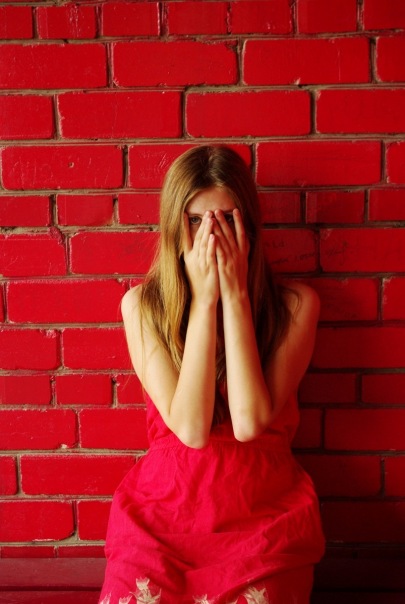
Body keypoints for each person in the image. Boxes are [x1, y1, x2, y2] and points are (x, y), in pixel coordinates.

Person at [99, 145, 325, 604]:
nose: (210, 236)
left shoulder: (295, 306)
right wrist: (203, 302)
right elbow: (191, 429)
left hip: (261, 515)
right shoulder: (142, 307)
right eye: (196, 221)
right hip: (165, 516)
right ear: (174, 227)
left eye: (224, 219)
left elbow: (248, 422)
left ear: (249, 226)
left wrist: (235, 295)